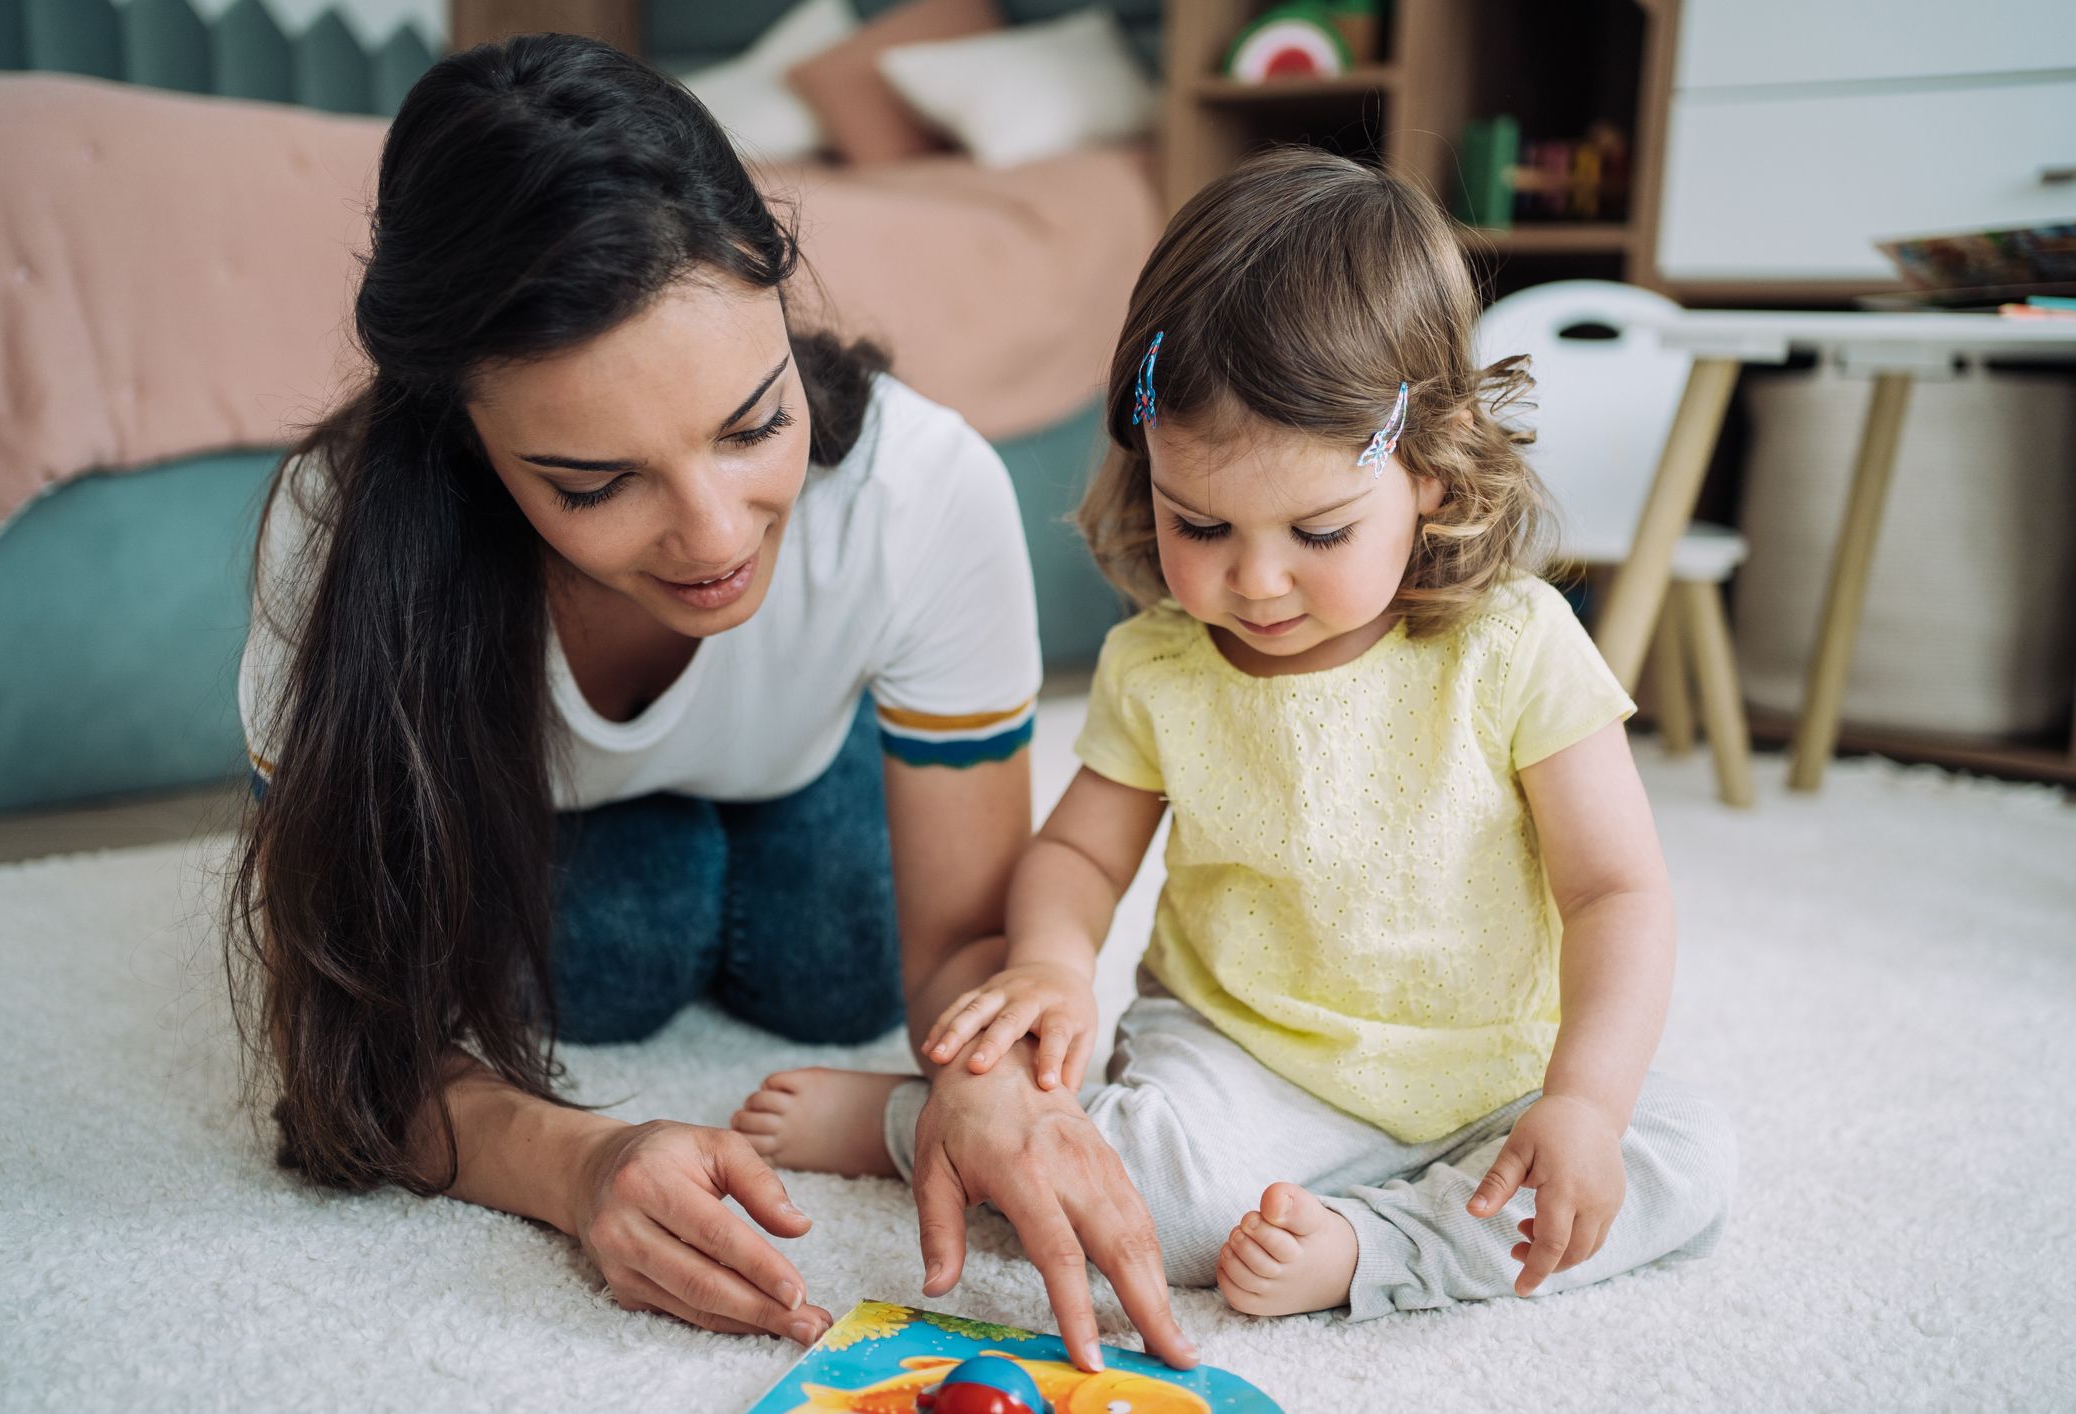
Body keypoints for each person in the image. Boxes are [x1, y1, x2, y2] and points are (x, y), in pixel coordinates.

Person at [227, 33, 1195, 1372]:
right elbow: (339, 1048)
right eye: (593, 482)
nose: (712, 537)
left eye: (753, 426)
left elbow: (972, 960)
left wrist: (994, 1094)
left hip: (807, 768)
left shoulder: (923, 488)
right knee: (611, 960)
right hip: (550, 812)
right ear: (464, 433)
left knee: (835, 963)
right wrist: (581, 1162)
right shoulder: (335, 550)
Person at [736, 148, 1736, 1321]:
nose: (1254, 581)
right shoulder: (1162, 663)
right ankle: (921, 1121)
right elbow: (1077, 856)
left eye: (1318, 530)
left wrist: (1582, 1101)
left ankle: (1375, 1250)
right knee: (1147, 1193)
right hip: (1240, 1061)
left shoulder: (1514, 644)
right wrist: (1053, 964)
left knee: (1683, 1159)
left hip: (1492, 1074)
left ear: (1430, 473)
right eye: (1198, 521)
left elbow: (1620, 893)